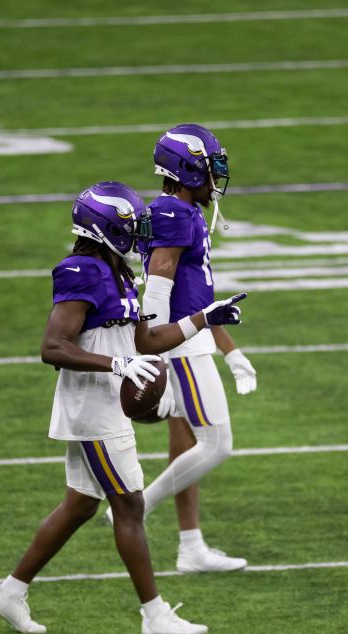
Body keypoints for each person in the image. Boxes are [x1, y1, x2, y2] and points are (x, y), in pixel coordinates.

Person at [0, 181, 247, 634]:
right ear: (104, 227)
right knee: (130, 507)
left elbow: (146, 341)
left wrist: (205, 318)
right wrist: (117, 363)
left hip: (105, 401)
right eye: (129, 225)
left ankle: (9, 592)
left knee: (81, 505)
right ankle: (154, 614)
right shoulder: (81, 271)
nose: (139, 232)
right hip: (93, 407)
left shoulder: (118, 272)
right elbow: (52, 346)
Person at [106, 124, 257, 574]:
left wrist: (230, 351)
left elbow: (196, 298)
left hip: (191, 339)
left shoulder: (181, 212)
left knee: (196, 442)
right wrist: (154, 347)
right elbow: (157, 290)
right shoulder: (175, 214)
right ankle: (132, 508)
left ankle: (190, 548)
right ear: (188, 170)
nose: (218, 175)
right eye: (212, 167)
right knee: (216, 444)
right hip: (180, 347)